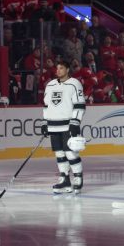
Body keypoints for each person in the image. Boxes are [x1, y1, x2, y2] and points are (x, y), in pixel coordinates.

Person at [42, 60, 86, 194]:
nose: (58, 70)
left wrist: (75, 121)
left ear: (67, 69)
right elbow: (46, 105)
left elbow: (79, 105)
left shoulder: (74, 84)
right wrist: (45, 122)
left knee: (70, 153)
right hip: (53, 125)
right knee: (60, 154)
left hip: (68, 124)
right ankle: (64, 178)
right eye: (57, 68)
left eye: (61, 68)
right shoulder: (50, 85)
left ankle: (78, 178)